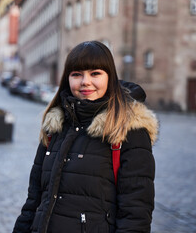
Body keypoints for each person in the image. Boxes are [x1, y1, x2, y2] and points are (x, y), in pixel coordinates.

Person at [13, 41, 158, 233]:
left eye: (95, 73)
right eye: (76, 74)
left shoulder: (128, 130)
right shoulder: (55, 127)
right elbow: (34, 201)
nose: (85, 82)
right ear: (67, 79)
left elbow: (136, 213)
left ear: (110, 78)